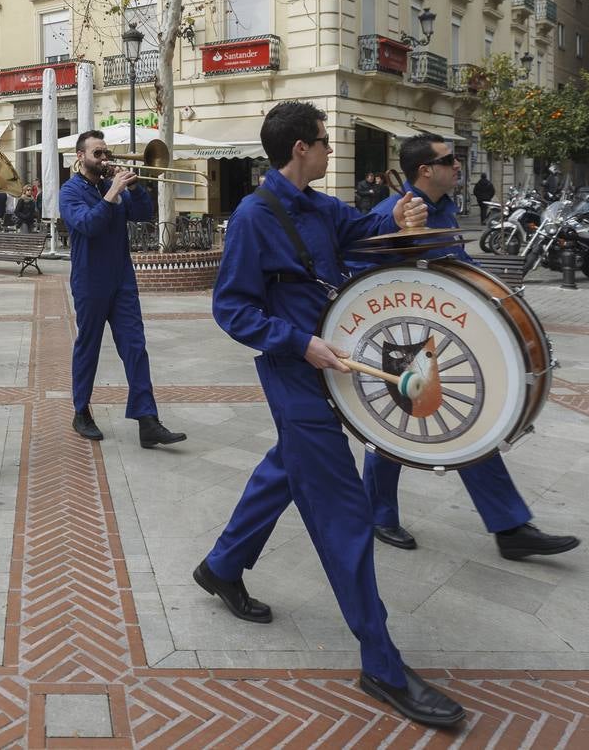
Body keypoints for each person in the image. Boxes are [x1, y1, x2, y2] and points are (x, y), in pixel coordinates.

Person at [193, 102, 465, 728]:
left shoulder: (319, 204)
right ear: (298, 150)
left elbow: (360, 230)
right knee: (344, 510)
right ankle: (382, 663)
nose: (330, 151)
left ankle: (222, 566)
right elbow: (232, 308)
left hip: (335, 363)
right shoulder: (253, 218)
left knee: (288, 469)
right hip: (296, 374)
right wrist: (298, 341)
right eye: (323, 142)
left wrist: (399, 214)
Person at [358, 134, 581, 561]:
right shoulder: (393, 214)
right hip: (404, 343)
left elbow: (455, 264)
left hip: (444, 337)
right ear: (426, 170)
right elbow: (359, 275)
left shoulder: (441, 209)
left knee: (467, 430)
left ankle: (508, 526)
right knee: (395, 433)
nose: (459, 165)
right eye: (450, 160)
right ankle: (381, 515)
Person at [61, 130, 186, 449]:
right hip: (90, 281)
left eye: (106, 153)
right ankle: (81, 412)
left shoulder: (111, 186)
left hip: (122, 280)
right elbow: (87, 224)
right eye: (97, 154)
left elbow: (143, 213)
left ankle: (147, 420)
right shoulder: (70, 191)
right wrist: (111, 193)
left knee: (135, 346)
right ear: (81, 157)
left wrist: (135, 185)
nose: (105, 159)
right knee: (88, 348)